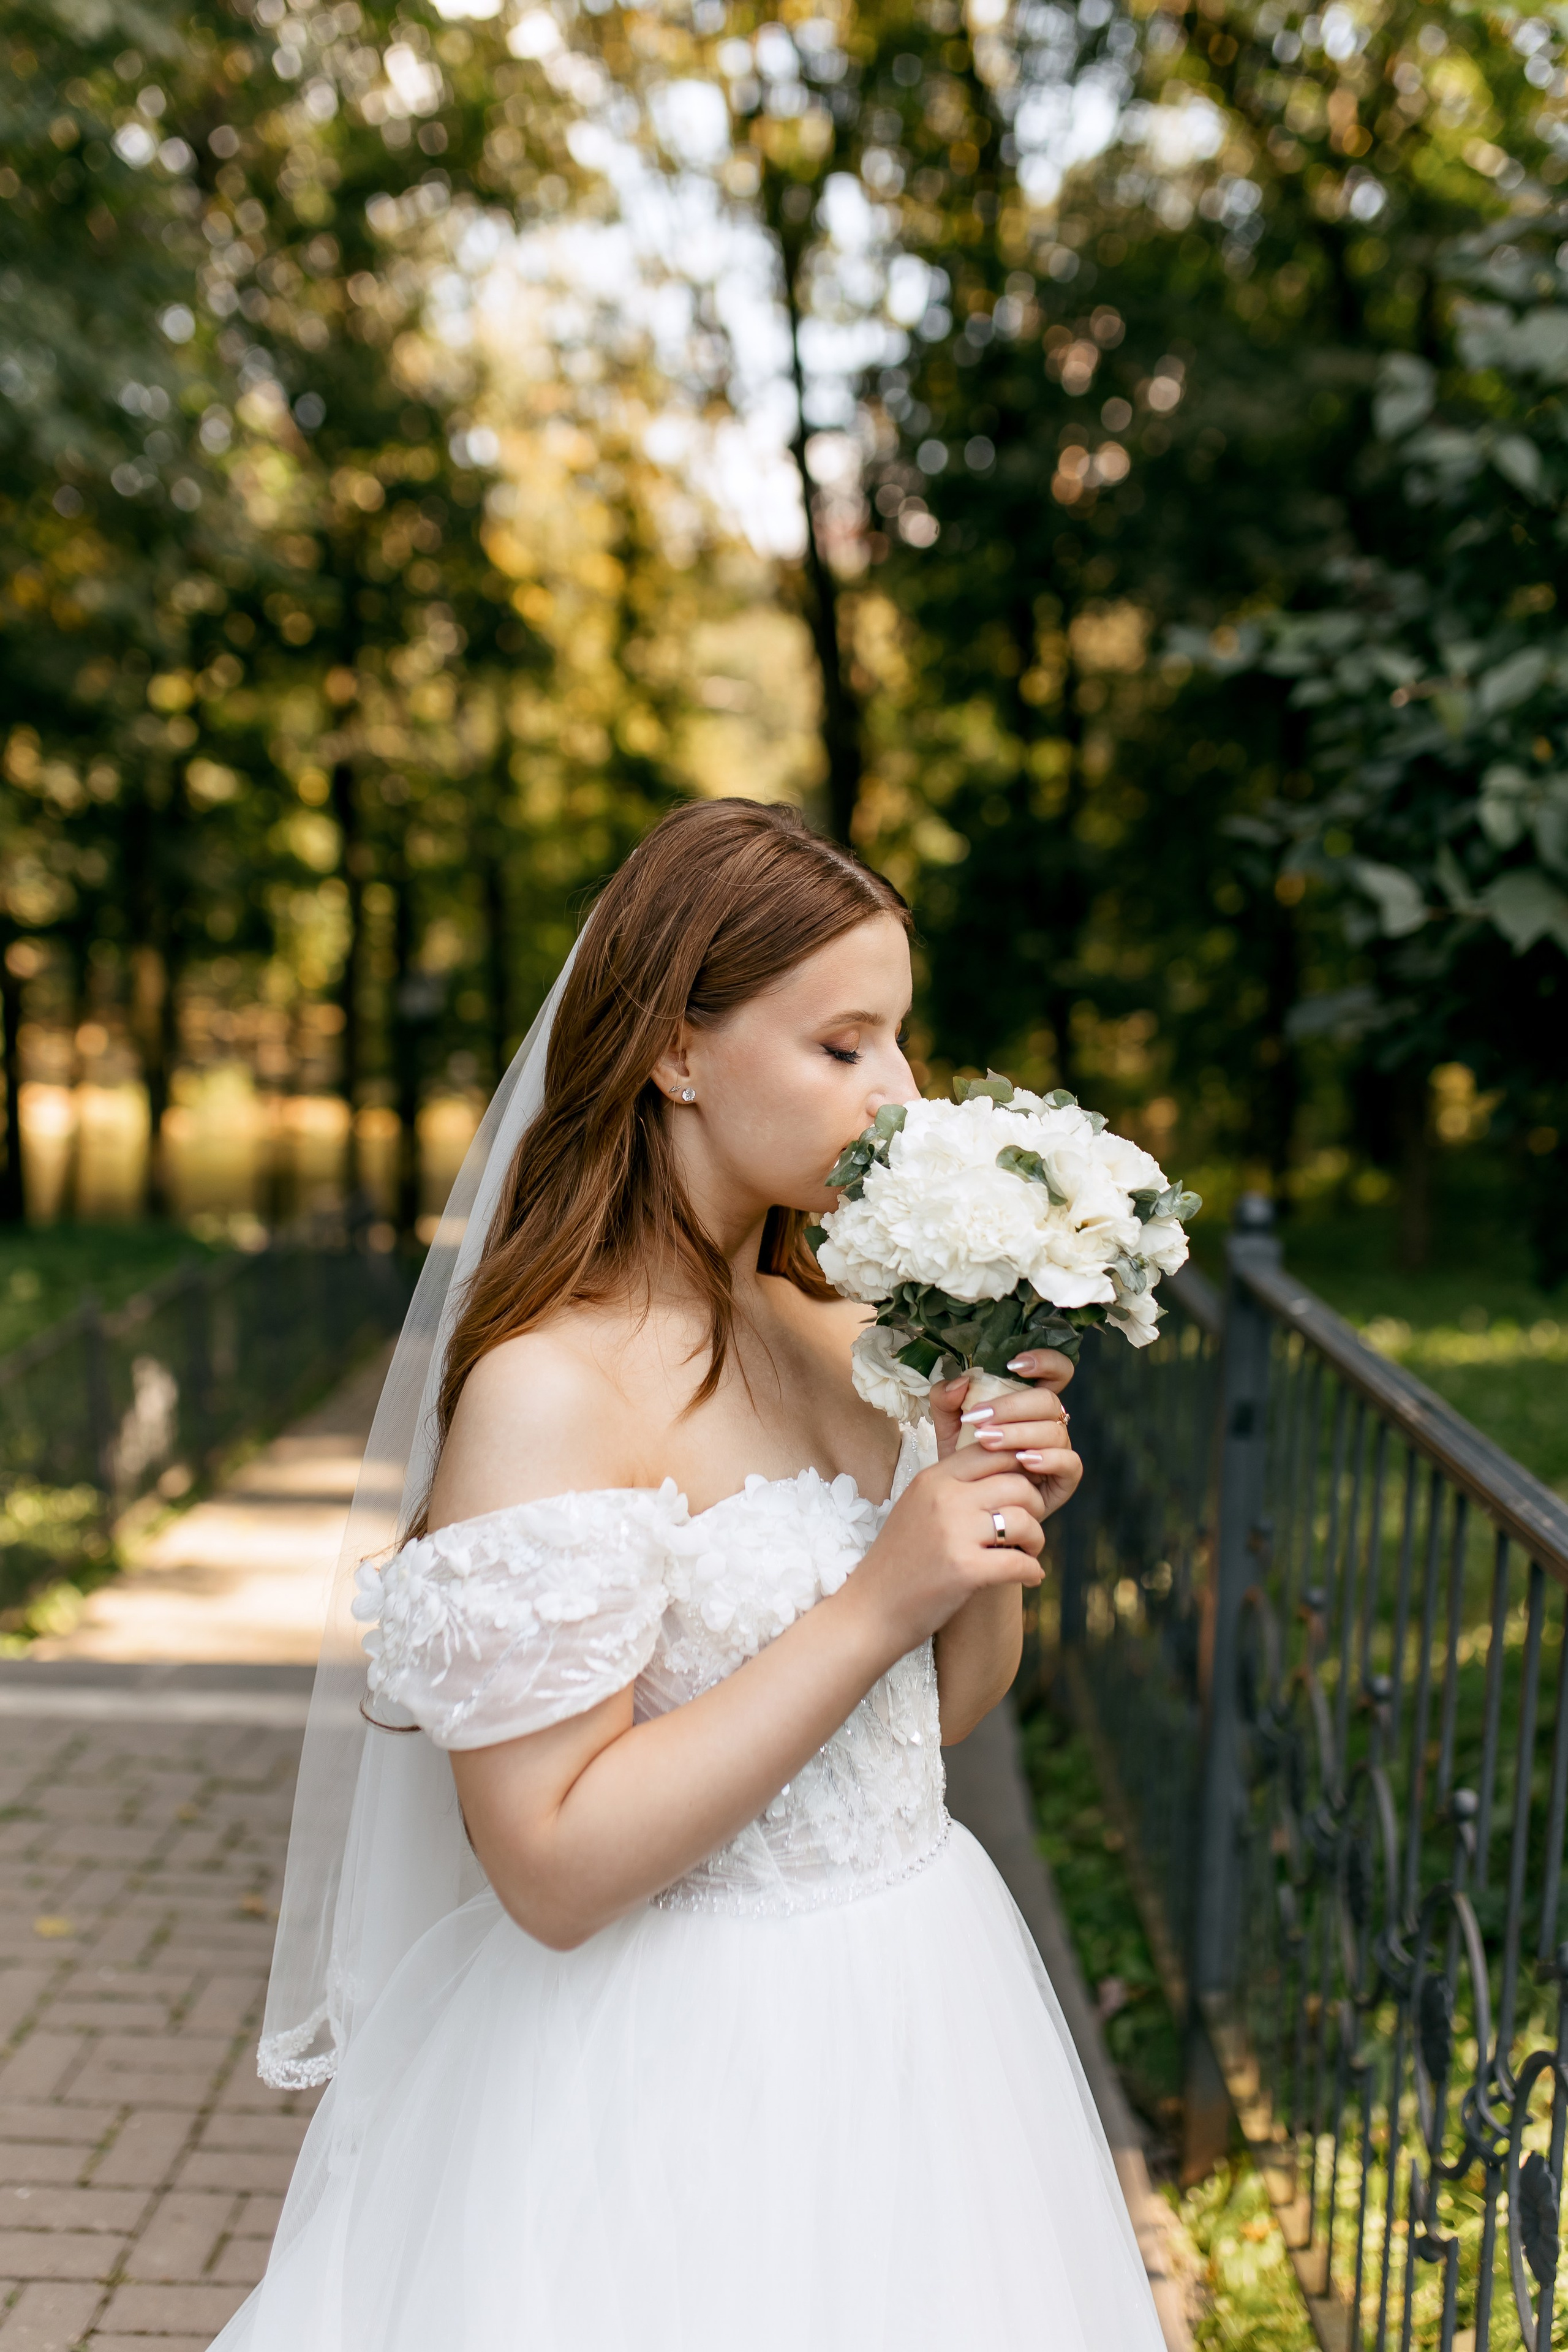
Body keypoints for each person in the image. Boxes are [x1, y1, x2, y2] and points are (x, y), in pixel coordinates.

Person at [214, 799, 1166, 2351]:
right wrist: (873, 1601)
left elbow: (938, 1719)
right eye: (841, 1045)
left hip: (923, 2000)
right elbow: (554, 1867)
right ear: (673, 1048)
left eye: (899, 1043)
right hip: (671, 2064)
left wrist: (976, 1532)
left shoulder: (838, 1337)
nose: (898, 1096)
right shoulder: (553, 1389)